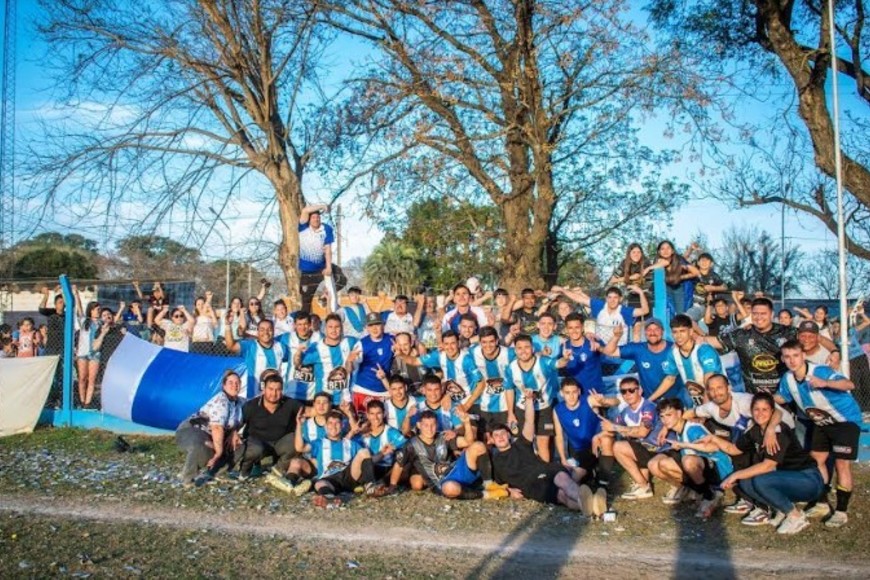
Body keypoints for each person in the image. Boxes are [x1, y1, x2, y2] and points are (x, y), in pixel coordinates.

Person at [685, 392, 825, 535]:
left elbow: (768, 465)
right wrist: (713, 438)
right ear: (751, 411)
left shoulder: (778, 431)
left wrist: (734, 475)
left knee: (759, 480)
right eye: (756, 409)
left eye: (765, 409)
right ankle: (782, 510)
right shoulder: (755, 431)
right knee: (746, 482)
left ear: (772, 411)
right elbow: (733, 449)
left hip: (808, 480)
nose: (760, 413)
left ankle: (795, 516)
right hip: (787, 478)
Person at [777, 341, 861, 528]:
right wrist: (761, 398)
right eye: (787, 357)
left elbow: (850, 384)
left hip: (844, 420)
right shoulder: (787, 378)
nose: (792, 360)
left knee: (841, 463)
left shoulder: (819, 371)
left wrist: (826, 383)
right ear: (783, 358)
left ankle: (841, 511)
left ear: (803, 355)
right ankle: (822, 502)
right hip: (821, 422)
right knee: (817, 460)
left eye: (795, 355)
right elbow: (783, 398)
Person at [492, 388, 599, 514]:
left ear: (509, 435)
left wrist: (529, 400)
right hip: (531, 486)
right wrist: (509, 492)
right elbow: (495, 485)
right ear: (492, 440)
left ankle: (590, 503)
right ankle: (594, 508)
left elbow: (529, 422)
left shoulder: (521, 443)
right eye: (496, 435)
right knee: (561, 497)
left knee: (564, 480)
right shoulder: (495, 461)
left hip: (545, 470)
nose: (500, 437)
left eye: (503, 433)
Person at [390, 409, 506, 500]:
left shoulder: (443, 437)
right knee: (450, 488)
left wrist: (466, 423)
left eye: (433, 425)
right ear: (419, 426)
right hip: (441, 483)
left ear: (437, 424)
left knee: (479, 446)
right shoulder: (411, 445)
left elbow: (468, 442)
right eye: (426, 425)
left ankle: (489, 484)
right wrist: (392, 486)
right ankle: (487, 494)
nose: (430, 429)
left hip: (457, 470)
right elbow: (398, 465)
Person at [588, 377, 670, 501]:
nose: (627, 394)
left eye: (631, 390)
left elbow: (642, 432)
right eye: (623, 391)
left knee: (618, 446)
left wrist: (615, 427)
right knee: (614, 442)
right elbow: (612, 427)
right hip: (646, 449)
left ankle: (644, 485)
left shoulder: (648, 407)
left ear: (640, 390)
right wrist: (598, 436)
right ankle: (642, 485)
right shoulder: (625, 411)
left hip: (661, 449)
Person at [699, 297, 799, 394]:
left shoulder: (789, 332)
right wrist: (694, 338)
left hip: (785, 397)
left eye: (763, 313)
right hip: (753, 399)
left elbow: (810, 344)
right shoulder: (742, 335)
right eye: (755, 314)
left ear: (772, 314)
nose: (759, 317)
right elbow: (715, 341)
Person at [656, 398, 733, 518]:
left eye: (669, 415)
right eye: (662, 416)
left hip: (720, 469)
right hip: (704, 466)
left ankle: (709, 496)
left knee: (688, 461)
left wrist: (685, 445)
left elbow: (714, 447)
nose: (665, 420)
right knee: (663, 464)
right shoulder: (678, 429)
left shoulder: (692, 429)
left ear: (680, 413)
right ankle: (698, 491)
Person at [293, 409, 382, 506]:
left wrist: (383, 453)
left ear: (342, 425)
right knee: (319, 483)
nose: (333, 426)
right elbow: (299, 448)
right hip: (329, 478)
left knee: (364, 451)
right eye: (330, 423)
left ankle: (370, 486)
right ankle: (330, 498)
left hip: (349, 476)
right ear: (326, 426)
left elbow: (366, 460)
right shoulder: (319, 443)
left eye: (337, 423)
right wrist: (299, 425)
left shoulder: (351, 443)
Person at [175, 370, 245, 487]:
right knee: (204, 446)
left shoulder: (239, 402)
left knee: (239, 445)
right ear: (223, 385)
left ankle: (217, 472)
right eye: (230, 382)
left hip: (213, 434)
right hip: (192, 429)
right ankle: (188, 477)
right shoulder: (222, 400)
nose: (234, 385)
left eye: (237, 382)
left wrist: (234, 432)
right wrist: (218, 452)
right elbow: (217, 427)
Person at [503, 334, 559, 462]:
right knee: (522, 443)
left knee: (543, 443)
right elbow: (509, 389)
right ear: (515, 350)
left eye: (527, 347)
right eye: (520, 348)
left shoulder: (543, 361)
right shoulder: (511, 368)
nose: (523, 351)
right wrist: (510, 413)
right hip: (521, 408)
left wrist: (566, 358)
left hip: (544, 408)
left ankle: (545, 475)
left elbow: (558, 363)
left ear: (532, 348)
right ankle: (525, 473)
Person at [602, 319, 685, 404]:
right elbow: (608, 351)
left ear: (662, 332)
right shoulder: (638, 349)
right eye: (649, 330)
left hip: (675, 402)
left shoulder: (674, 349)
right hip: (652, 403)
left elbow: (670, 380)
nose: (653, 333)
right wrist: (616, 336)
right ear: (645, 333)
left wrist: (648, 401)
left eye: (656, 329)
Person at [555, 285, 648, 346]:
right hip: (600, 347)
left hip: (618, 348)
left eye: (615, 297)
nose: (612, 300)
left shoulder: (624, 311)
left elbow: (645, 310)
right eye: (610, 297)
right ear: (606, 298)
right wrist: (562, 290)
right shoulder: (600, 306)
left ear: (620, 299)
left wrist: (640, 292)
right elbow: (579, 298)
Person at [294, 313, 356, 405]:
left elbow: (350, 369)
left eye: (337, 327)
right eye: (330, 327)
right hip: (323, 400)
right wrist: (298, 353)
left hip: (344, 400)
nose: (334, 330)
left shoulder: (351, 342)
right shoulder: (316, 347)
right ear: (325, 329)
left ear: (342, 328)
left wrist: (350, 361)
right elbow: (298, 364)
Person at [224, 317, 289, 399]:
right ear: (257, 332)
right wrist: (227, 325)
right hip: (254, 398)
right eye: (262, 329)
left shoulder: (281, 347)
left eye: (269, 329)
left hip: (274, 398)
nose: (266, 332)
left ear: (273, 331)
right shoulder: (249, 346)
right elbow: (231, 346)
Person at [468, 326, 517, 436]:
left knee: (507, 438)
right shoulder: (473, 352)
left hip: (505, 405)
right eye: (484, 342)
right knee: (488, 440)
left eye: (491, 342)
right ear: (479, 342)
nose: (488, 346)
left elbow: (528, 354)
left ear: (497, 341)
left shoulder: (509, 354)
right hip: (484, 405)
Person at [419, 330, 483, 410]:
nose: (450, 347)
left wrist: (466, 406)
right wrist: (401, 354)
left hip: (472, 404)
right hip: (452, 401)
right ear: (443, 345)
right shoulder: (440, 356)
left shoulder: (467, 359)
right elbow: (415, 361)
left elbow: (481, 384)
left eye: (453, 343)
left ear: (458, 343)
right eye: (446, 344)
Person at [298, 204, 347, 310]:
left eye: (318, 217)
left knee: (342, 279)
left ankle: (325, 296)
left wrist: (329, 267)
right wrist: (322, 206)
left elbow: (328, 249)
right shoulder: (303, 227)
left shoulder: (326, 229)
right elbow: (305, 210)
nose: (316, 219)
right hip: (308, 272)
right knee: (306, 303)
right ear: (309, 219)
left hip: (322, 267)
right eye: (313, 217)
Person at [552, 378, 599, 485]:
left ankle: (568, 488)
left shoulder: (588, 401)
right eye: (567, 393)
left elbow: (614, 401)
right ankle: (590, 474)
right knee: (571, 470)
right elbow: (559, 436)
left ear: (579, 391)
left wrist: (603, 401)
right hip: (576, 449)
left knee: (578, 473)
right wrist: (563, 458)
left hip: (594, 444)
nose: (571, 396)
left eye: (574, 392)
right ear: (562, 393)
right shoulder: (558, 409)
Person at [669, 314, 723, 407]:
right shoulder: (673, 352)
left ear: (690, 332)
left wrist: (702, 413)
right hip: (697, 403)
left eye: (682, 331)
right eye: (675, 332)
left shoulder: (704, 350)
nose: (678, 336)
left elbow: (709, 382)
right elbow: (669, 379)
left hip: (718, 402)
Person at [348, 312, 396, 414]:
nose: (374, 328)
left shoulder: (392, 339)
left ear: (383, 325)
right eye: (371, 325)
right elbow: (349, 370)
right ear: (367, 328)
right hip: (364, 390)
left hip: (385, 391)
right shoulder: (361, 344)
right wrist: (349, 361)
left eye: (377, 324)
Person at [357, 399, 408, 481]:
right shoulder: (363, 434)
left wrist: (397, 450)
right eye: (372, 414)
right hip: (369, 467)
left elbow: (407, 447)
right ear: (367, 415)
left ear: (384, 414)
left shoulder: (391, 432)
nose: (375, 417)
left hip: (386, 468)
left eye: (379, 413)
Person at [75, 298, 103, 407]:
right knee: (82, 378)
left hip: (95, 353)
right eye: (96, 309)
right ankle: (81, 400)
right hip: (83, 353)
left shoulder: (101, 323)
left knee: (92, 379)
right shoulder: (84, 321)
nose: (98, 311)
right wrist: (76, 294)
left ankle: (87, 402)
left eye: (99, 309)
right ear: (90, 311)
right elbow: (80, 309)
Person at [685, 253, 727, 322]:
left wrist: (713, 288)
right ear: (698, 263)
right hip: (692, 304)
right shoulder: (694, 273)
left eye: (707, 260)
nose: (704, 262)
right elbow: (684, 262)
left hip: (708, 305)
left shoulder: (714, 276)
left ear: (711, 264)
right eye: (702, 260)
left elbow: (725, 287)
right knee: (687, 319)